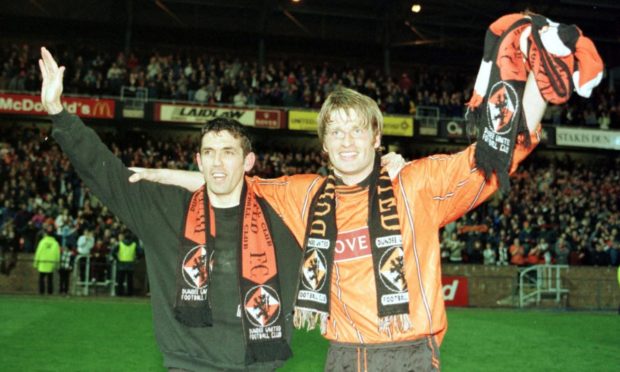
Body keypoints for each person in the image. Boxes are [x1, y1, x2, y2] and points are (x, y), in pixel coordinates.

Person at [133, 76, 546, 370]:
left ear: (376, 137)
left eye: (356, 129)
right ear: (324, 144)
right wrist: (163, 176)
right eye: (336, 132)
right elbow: (232, 183)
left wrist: (541, 81)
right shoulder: (305, 195)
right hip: (342, 356)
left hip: (409, 354)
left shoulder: (417, 183)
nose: (347, 140)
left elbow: (499, 149)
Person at [39, 47, 305, 371]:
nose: (217, 162)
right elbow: (104, 172)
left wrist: (386, 170)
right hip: (186, 364)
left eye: (228, 152)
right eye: (209, 152)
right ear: (198, 160)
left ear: (248, 161)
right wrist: (58, 113)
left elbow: (346, 203)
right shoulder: (165, 209)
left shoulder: (283, 214)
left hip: (257, 365)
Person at [111, 230, 143, 296]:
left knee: (120, 281)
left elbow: (113, 252)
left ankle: (120, 293)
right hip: (130, 264)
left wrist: (117, 259)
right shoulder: (134, 244)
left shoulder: (120, 243)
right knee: (130, 281)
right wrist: (137, 258)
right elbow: (141, 252)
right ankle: (129, 293)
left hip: (121, 264)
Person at [33, 227, 61, 295]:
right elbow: (57, 254)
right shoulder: (55, 243)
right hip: (51, 263)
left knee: (41, 278)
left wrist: (35, 263)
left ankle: (41, 292)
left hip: (42, 262)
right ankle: (50, 292)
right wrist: (57, 264)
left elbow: (38, 252)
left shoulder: (42, 242)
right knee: (50, 279)